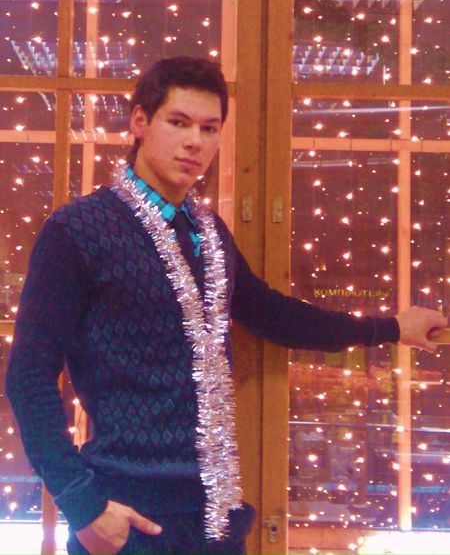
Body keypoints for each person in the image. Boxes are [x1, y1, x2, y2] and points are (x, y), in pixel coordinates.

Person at [6, 56, 447, 555]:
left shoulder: (208, 233)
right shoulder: (79, 231)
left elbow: (274, 315)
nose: (195, 141)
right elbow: (28, 376)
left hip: (217, 517)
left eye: (209, 128)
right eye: (178, 122)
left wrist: (390, 328)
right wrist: (82, 504)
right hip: (125, 516)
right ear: (139, 122)